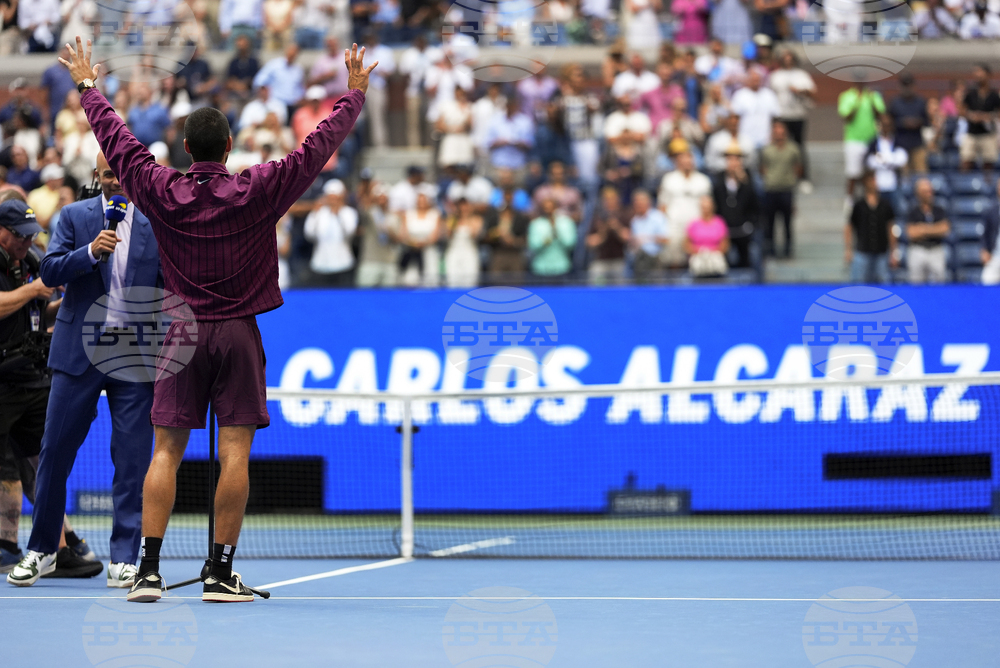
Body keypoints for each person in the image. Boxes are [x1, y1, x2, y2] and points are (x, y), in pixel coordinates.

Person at [57, 37, 374, 603]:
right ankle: (219, 573)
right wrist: (353, 96)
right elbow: (315, 149)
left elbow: (118, 140)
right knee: (234, 454)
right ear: (229, 147)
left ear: (183, 146)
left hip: (178, 332)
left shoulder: (159, 189)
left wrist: (87, 86)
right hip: (237, 332)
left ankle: (147, 572)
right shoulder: (258, 189)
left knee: (164, 452)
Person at [7, 151, 162, 588]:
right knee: (54, 452)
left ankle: (124, 559)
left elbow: (168, 287)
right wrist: (91, 251)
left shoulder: (156, 223)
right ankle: (41, 551)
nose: (115, 181)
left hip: (133, 356)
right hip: (78, 352)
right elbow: (50, 270)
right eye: (108, 174)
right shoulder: (75, 217)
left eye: (122, 173)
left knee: (132, 461)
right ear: (97, 175)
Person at [657, 143, 711, 267]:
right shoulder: (669, 179)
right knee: (674, 262)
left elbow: (708, 206)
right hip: (674, 227)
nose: (686, 161)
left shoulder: (703, 181)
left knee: (697, 262)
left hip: (696, 227)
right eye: (683, 157)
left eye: (689, 157)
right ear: (677, 161)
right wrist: (664, 227)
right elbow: (662, 206)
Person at [768, 50, 815, 189]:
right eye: (785, 59)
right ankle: (782, 176)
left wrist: (800, 91)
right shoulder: (775, 76)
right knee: (779, 146)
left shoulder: (802, 75)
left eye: (790, 59)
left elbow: (812, 93)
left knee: (799, 147)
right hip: (781, 116)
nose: (788, 62)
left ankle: (803, 178)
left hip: (797, 115)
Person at [711, 141, 758, 268]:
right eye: (730, 160)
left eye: (736, 160)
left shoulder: (748, 182)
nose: (733, 163)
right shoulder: (719, 180)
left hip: (743, 229)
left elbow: (755, 206)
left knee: (745, 260)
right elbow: (716, 204)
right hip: (724, 229)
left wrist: (744, 182)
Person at [839, 78, 885, 205]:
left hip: (871, 140)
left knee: (870, 173)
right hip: (853, 140)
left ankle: (869, 198)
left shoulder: (873, 95)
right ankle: (849, 201)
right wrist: (857, 102)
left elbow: (880, 114)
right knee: (853, 173)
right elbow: (847, 117)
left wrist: (871, 101)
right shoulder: (847, 96)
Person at [846, 171, 897, 284]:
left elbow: (891, 228)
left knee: (883, 284)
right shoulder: (859, 205)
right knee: (859, 285)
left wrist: (894, 251)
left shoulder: (885, 204)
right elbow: (849, 226)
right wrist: (848, 249)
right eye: (872, 180)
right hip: (863, 251)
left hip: (881, 252)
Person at [759, 120, 801, 257]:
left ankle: (788, 250)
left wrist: (790, 180)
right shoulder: (767, 150)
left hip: (786, 190)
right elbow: (762, 168)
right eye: (776, 130)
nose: (779, 133)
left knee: (787, 223)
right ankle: (770, 249)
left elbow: (798, 168)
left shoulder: (793, 149)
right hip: (770, 190)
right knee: (769, 223)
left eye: (781, 130)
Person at [304, 179, 357, 286]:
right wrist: (315, 214)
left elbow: (349, 233)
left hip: (343, 264)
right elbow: (309, 234)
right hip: (320, 264)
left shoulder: (349, 213)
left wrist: (338, 213)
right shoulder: (319, 213)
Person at [906, 177, 950, 284]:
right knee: (916, 285)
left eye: (930, 191)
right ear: (918, 193)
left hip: (936, 250)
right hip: (918, 250)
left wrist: (922, 228)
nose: (929, 193)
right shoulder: (913, 211)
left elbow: (945, 229)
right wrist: (934, 229)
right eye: (925, 191)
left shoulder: (939, 210)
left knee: (940, 283)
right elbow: (911, 233)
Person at [398, 185, 442, 287]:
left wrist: (424, 243)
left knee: (430, 280)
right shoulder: (408, 214)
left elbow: (436, 235)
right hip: (412, 252)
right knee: (410, 281)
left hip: (429, 253)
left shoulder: (435, 214)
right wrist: (413, 243)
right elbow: (403, 234)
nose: (421, 202)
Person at [485, 184, 529, 283]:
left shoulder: (520, 217)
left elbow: (525, 238)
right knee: (496, 284)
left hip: (515, 254)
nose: (508, 199)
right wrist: (496, 235)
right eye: (506, 196)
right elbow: (486, 236)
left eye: (510, 196)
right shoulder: (494, 216)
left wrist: (513, 241)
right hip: (498, 253)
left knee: (516, 285)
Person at [586, 186, 631, 284]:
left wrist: (617, 227)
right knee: (594, 280)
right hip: (601, 260)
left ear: (617, 200)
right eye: (607, 199)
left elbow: (628, 238)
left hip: (619, 260)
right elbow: (590, 243)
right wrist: (603, 231)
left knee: (622, 288)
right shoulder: (597, 218)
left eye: (612, 199)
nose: (610, 202)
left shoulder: (624, 215)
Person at [960, 64, 1000, 172]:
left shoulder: (994, 95)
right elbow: (962, 110)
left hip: (988, 133)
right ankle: (965, 184)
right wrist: (971, 116)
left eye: (980, 73)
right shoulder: (971, 94)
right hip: (972, 132)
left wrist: (988, 117)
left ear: (988, 75)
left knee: (988, 163)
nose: (977, 75)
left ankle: (987, 187)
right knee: (966, 161)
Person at [528, 197, 576, 281]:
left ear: (556, 208)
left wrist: (557, 232)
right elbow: (532, 246)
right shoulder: (535, 224)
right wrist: (545, 241)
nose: (549, 212)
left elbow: (570, 244)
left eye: (551, 208)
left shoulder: (566, 222)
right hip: (541, 268)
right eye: (546, 209)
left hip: (561, 267)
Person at [889, 72, 928, 175]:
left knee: (921, 175)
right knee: (904, 176)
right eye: (904, 85)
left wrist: (917, 122)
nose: (907, 88)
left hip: (917, 143)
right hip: (900, 144)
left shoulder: (920, 101)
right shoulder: (895, 102)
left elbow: (927, 121)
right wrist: (903, 123)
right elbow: (889, 123)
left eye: (909, 85)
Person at [629, 189, 669, 280]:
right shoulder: (634, 221)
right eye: (636, 201)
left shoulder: (658, 217)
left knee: (656, 287)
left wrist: (647, 238)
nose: (638, 204)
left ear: (648, 202)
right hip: (639, 259)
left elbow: (665, 239)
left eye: (640, 201)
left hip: (655, 258)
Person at [443, 198, 482, 288]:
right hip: (454, 252)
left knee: (470, 280)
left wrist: (466, 218)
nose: (464, 208)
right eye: (461, 206)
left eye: (466, 206)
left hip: (469, 253)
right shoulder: (452, 219)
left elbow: (474, 235)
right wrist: (454, 218)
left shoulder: (476, 219)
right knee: (452, 280)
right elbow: (448, 236)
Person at [685, 196, 729, 277]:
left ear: (713, 207)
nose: (706, 210)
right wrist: (701, 252)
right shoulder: (693, 224)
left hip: (716, 256)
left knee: (717, 262)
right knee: (697, 264)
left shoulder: (720, 222)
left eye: (708, 207)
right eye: (703, 207)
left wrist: (711, 252)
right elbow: (687, 245)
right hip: (698, 256)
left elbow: (725, 245)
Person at [866, 115, 908, 195]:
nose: (886, 128)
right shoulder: (873, 143)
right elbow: (870, 161)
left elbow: (902, 159)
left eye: (888, 125)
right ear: (880, 126)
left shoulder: (898, 141)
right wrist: (892, 159)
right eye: (884, 125)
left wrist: (881, 158)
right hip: (878, 184)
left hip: (895, 184)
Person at [982, 180, 1000, 285]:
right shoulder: (991, 210)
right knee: (987, 279)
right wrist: (984, 250)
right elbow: (985, 233)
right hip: (996, 256)